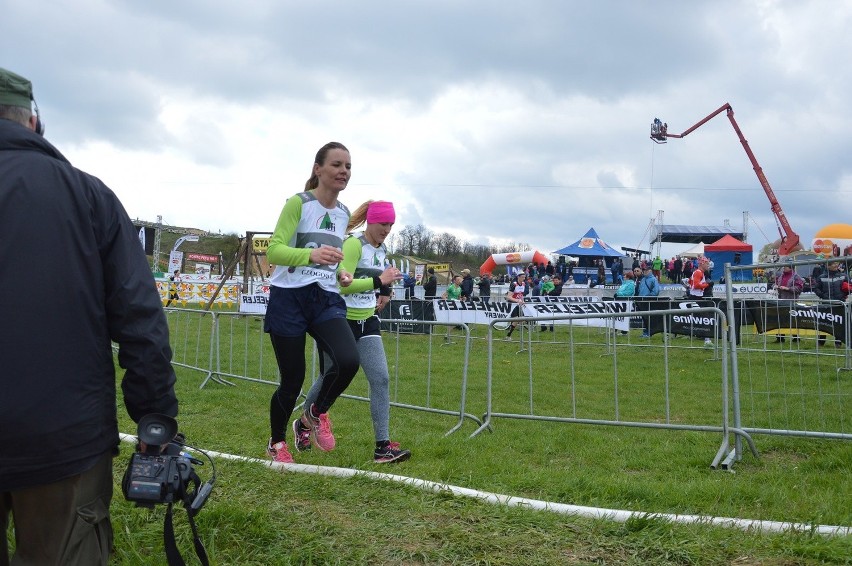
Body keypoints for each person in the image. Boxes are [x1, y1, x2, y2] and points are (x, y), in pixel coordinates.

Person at [0, 67, 179, 565]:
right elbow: (140, 319)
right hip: (62, 438)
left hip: (64, 434)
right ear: (34, 121)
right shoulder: (86, 195)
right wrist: (154, 419)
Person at [264, 141, 361, 464]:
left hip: (325, 297)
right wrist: (310, 254)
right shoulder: (299, 203)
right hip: (288, 298)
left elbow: (334, 259)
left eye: (347, 166)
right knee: (292, 379)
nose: (343, 171)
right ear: (318, 169)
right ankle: (277, 443)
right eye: (336, 164)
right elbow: (274, 251)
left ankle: (312, 416)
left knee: (348, 360)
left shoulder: (343, 213)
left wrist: (344, 273)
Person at [302, 201, 410, 463]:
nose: (387, 229)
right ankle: (306, 423)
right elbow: (343, 285)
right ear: (371, 222)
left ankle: (382, 446)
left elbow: (379, 275)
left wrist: (384, 291)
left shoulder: (381, 248)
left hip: (367, 320)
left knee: (381, 379)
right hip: (341, 320)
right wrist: (378, 282)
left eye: (391, 225)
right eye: (383, 224)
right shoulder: (353, 245)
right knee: (331, 375)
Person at [813, 260, 849, 347]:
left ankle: (838, 342)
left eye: (837, 263)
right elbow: (816, 288)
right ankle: (821, 341)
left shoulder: (844, 276)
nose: (836, 265)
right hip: (826, 304)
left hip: (839, 304)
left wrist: (844, 294)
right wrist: (823, 295)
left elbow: (849, 286)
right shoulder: (821, 277)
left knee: (839, 323)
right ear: (828, 266)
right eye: (834, 264)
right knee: (823, 323)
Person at [774, 259, 804, 343]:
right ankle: (780, 337)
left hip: (792, 300)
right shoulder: (780, 276)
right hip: (781, 300)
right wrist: (776, 286)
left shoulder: (796, 277)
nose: (784, 268)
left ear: (791, 267)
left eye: (785, 266)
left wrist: (788, 288)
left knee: (793, 319)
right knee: (781, 319)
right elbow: (775, 283)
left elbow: (799, 288)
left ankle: (796, 337)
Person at [688, 260, 714, 347]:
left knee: (699, 317)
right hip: (696, 297)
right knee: (705, 317)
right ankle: (707, 338)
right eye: (707, 264)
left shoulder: (699, 272)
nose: (708, 266)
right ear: (702, 264)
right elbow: (696, 285)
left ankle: (700, 335)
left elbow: (690, 283)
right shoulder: (699, 272)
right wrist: (707, 284)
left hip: (696, 296)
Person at [636, 265, 660, 338]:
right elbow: (640, 289)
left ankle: (649, 332)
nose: (644, 271)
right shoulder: (643, 279)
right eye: (644, 270)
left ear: (650, 271)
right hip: (641, 300)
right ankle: (646, 331)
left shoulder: (653, 279)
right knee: (644, 317)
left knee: (648, 317)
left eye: (646, 270)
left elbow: (656, 290)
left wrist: (649, 296)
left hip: (648, 301)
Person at [505, 272, 529, 340]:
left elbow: (521, 295)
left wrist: (522, 301)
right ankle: (508, 335)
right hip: (512, 304)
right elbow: (508, 297)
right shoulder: (514, 285)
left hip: (518, 304)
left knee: (518, 320)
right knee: (517, 319)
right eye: (522, 277)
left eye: (524, 277)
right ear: (518, 277)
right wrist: (517, 300)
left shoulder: (524, 284)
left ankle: (508, 335)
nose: (523, 279)